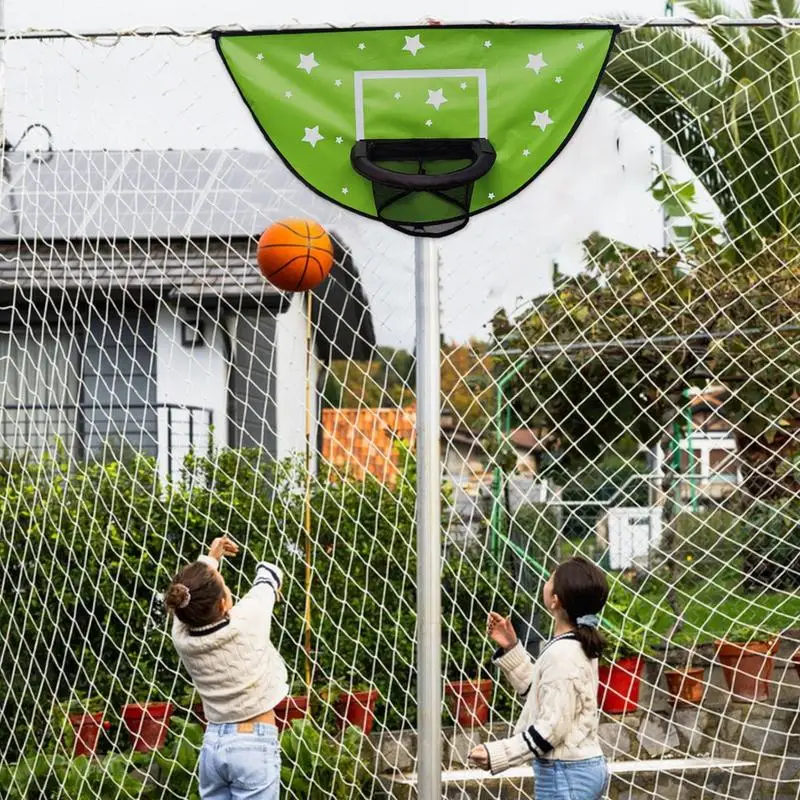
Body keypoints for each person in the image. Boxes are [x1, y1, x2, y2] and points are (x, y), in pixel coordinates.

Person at [468, 556, 610, 800]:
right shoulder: (573, 645)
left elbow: (551, 729)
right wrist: (512, 648)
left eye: (550, 578)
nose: (546, 580)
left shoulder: (563, 653)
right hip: (576, 769)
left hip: (565, 774)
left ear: (555, 600)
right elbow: (542, 694)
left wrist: (498, 753)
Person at [164, 536, 288, 800]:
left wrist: (210, 559)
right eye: (225, 587)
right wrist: (213, 560)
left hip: (214, 745)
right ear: (223, 603)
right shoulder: (247, 619)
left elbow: (184, 606)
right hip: (253, 744)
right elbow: (270, 574)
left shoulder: (182, 638)